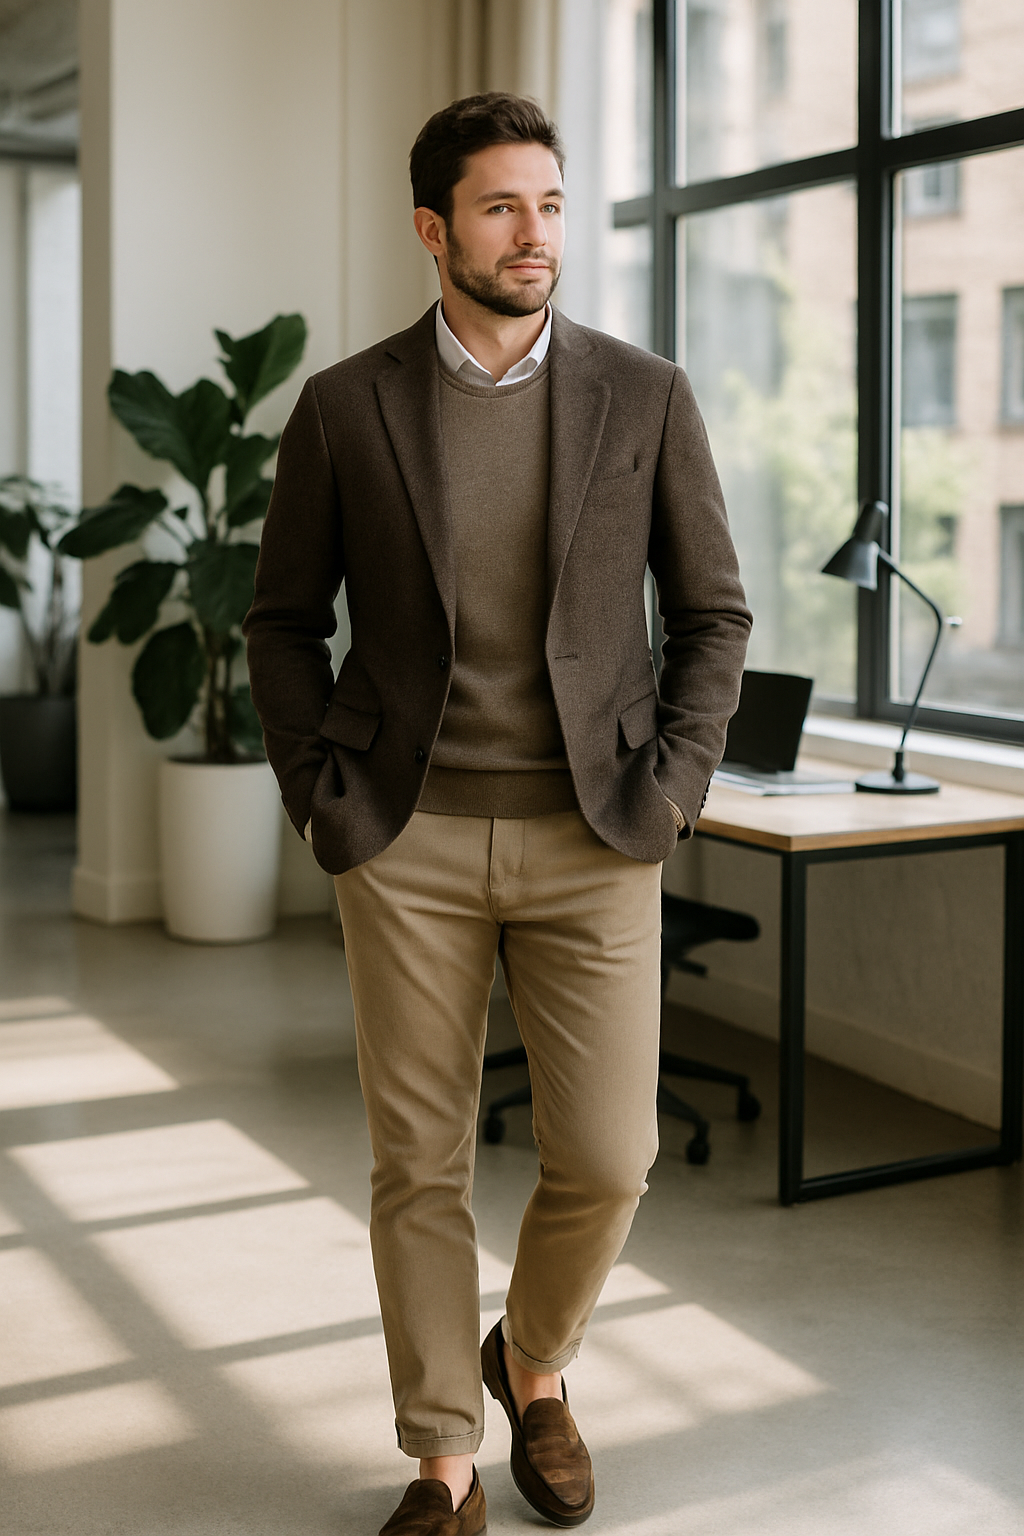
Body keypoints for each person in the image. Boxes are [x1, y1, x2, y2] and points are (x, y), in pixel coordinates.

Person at [244, 91, 750, 1536]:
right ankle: (442, 1461)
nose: (536, 235)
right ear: (434, 229)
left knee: (609, 1158)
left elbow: (711, 612)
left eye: (551, 204)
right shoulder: (347, 405)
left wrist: (673, 788)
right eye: (501, 208)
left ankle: (531, 1361)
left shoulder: (643, 395)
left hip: (597, 831)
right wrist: (316, 791)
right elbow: (282, 622)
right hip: (401, 834)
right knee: (421, 1162)